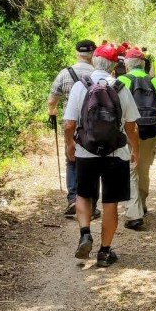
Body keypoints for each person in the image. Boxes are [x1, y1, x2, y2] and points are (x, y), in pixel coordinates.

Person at [63, 44, 140, 267]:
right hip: (115, 154)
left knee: (84, 195)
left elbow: (69, 124)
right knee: (110, 202)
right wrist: (134, 150)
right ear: (116, 65)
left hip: (86, 151)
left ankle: (85, 233)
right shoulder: (120, 88)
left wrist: (70, 145)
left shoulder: (80, 86)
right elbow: (131, 126)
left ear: (94, 62)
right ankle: (104, 252)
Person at [117, 48, 156, 230]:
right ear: (143, 64)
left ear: (126, 64)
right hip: (150, 132)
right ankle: (142, 202)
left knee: (130, 169)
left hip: (127, 132)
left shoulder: (121, 81)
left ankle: (134, 213)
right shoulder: (154, 82)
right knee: (143, 168)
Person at [47, 39, 99, 218]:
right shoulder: (97, 74)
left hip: (71, 123)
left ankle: (72, 200)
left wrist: (52, 113)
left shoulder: (65, 73)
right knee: (93, 162)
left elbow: (52, 101)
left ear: (77, 53)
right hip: (93, 125)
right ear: (93, 54)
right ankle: (91, 203)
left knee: (71, 159)